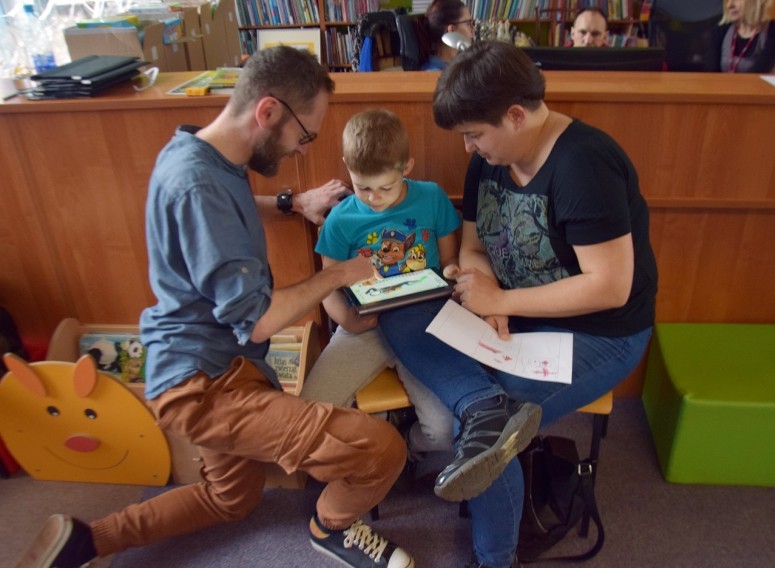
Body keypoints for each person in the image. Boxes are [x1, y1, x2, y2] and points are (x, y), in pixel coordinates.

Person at [18, 46, 414, 568]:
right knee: (381, 448)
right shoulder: (196, 183)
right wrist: (339, 273)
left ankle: (86, 540)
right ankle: (331, 527)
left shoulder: (195, 152)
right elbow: (261, 322)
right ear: (268, 112)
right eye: (305, 135)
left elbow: (221, 207)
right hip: (204, 384)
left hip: (211, 364)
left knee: (231, 497)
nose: (300, 150)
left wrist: (291, 203)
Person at [380, 40, 658, 568]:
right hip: (514, 314)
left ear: (515, 115)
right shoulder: (493, 159)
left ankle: (496, 558)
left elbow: (610, 287)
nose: (467, 148)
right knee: (399, 302)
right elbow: (474, 243)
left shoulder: (584, 164)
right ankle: (482, 405)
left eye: (474, 134)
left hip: (601, 332)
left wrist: (501, 296)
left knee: (487, 438)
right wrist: (479, 285)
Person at [299, 108, 458, 459]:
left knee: (446, 431)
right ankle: (375, 439)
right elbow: (327, 286)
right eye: (362, 188)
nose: (374, 198)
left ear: (407, 167)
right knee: (307, 413)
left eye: (386, 187)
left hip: (422, 323)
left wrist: (453, 275)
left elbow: (449, 262)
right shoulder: (341, 220)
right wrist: (350, 321)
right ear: (347, 168)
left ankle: (404, 445)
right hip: (365, 325)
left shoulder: (431, 197)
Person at [706, 0, 775, 73]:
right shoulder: (720, 30)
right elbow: (711, 74)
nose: (729, 5)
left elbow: (759, 74)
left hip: (755, 89)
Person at [420, 0, 476, 71]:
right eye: (468, 23)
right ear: (451, 29)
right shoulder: (432, 74)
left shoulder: (459, 65)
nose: (474, 29)